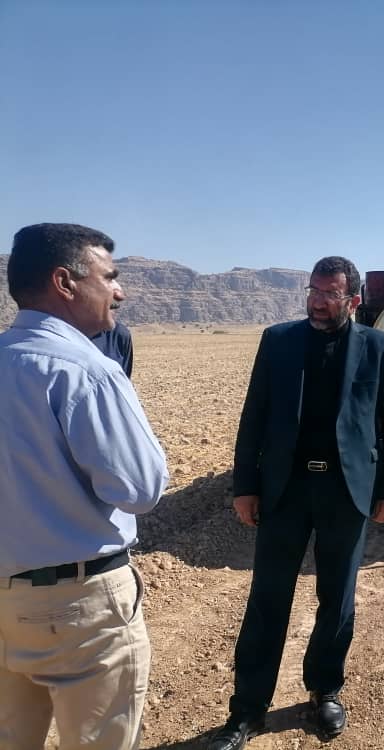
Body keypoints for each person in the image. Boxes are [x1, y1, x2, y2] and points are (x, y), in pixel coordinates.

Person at [209, 255, 384, 750]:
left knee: (337, 599)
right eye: (313, 292)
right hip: (286, 490)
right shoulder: (278, 341)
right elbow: (254, 415)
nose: (318, 302)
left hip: (346, 490)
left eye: (329, 294)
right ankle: (247, 710)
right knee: (267, 599)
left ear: (353, 300)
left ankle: (325, 690)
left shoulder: (378, 346)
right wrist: (245, 487)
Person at [0, 223, 170, 750]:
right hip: (81, 609)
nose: (120, 292)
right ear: (65, 282)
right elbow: (140, 488)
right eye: (110, 277)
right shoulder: (87, 370)